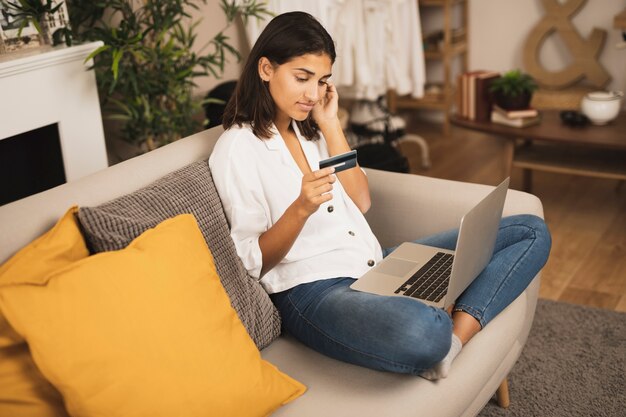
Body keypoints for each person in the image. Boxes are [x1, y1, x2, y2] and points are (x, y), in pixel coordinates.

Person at [209, 11, 551, 379]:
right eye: (302, 78)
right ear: (265, 69)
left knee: (530, 231)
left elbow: (361, 201)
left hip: (375, 265)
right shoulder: (237, 148)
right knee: (423, 330)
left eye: (322, 81)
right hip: (315, 292)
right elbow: (251, 261)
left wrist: (330, 123)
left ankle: (453, 342)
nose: (312, 94)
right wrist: (300, 209)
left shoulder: (311, 130)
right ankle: (440, 323)